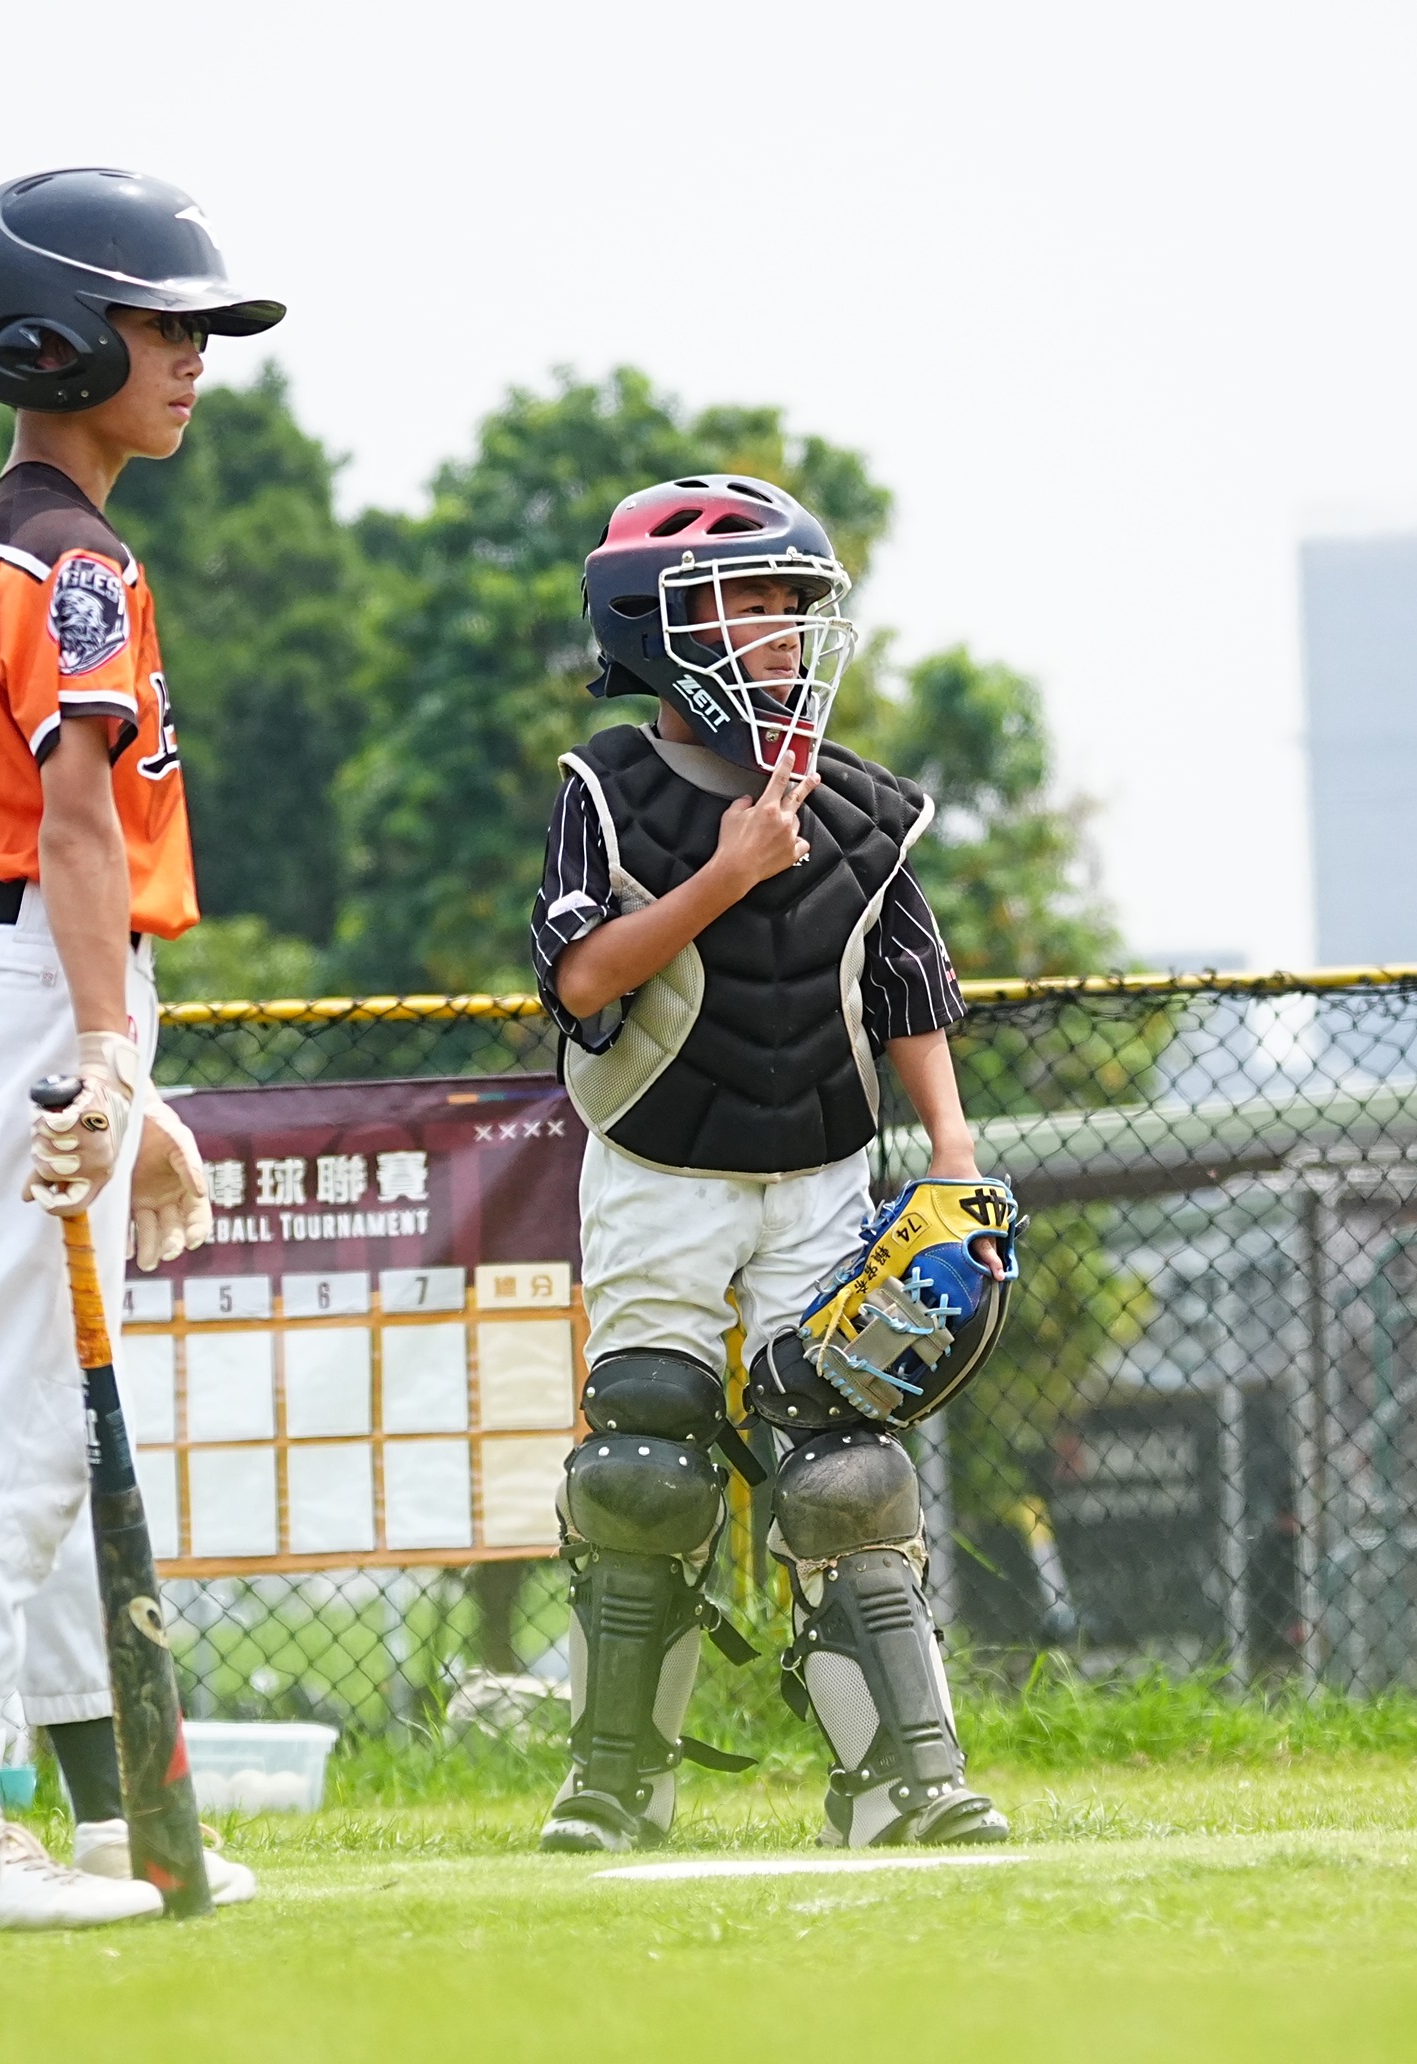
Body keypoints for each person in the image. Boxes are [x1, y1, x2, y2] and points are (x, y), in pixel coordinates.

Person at [0, 168, 271, 1933]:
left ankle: (114, 1816)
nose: (191, 357)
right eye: (159, 324)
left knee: (51, 1413)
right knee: (23, 1422)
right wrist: (108, 1051)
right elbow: (81, 822)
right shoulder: (81, 560)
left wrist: (129, 1074)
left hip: (8, 980)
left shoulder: (4, 551)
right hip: (39, 982)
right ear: (53, 338)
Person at [528, 474, 1012, 1852]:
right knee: (644, 1455)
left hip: (820, 1168)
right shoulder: (606, 789)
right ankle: (617, 1782)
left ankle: (903, 1779)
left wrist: (951, 1154)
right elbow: (581, 981)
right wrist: (726, 874)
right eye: (745, 605)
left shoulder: (858, 806)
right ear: (656, 627)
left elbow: (907, 989)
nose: (781, 634)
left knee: (844, 1467)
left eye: (794, 607)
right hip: (660, 1166)